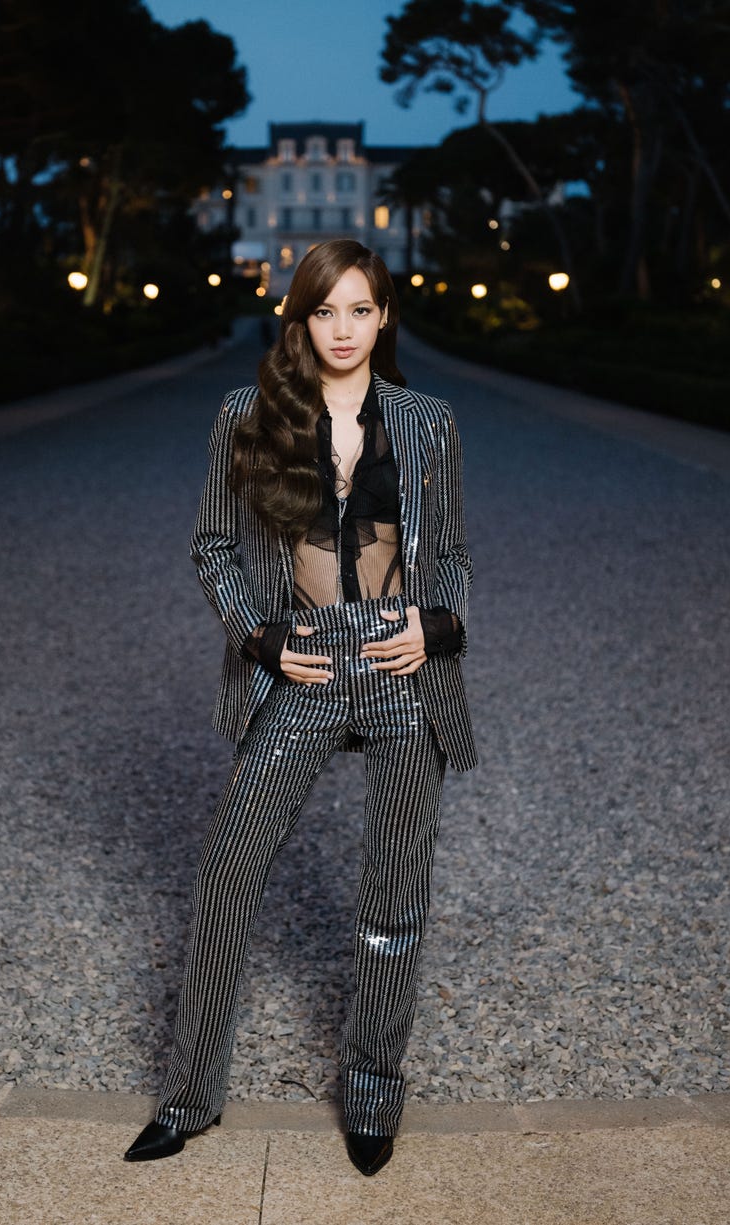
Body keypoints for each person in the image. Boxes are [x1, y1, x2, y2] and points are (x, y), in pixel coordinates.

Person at [124, 239, 476, 1177]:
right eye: (325, 311)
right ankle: (191, 1097)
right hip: (305, 659)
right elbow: (211, 546)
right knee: (225, 882)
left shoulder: (427, 421)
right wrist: (262, 638)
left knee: (393, 896)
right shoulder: (249, 413)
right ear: (299, 318)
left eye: (360, 309)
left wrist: (438, 626)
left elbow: (452, 559)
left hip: (400, 666)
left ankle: (371, 1092)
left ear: (385, 316)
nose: (344, 329)